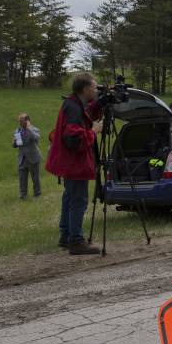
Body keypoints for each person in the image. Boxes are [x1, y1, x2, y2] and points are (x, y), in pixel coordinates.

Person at [46, 73, 103, 255]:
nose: (96, 90)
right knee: (78, 200)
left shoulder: (73, 104)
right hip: (75, 163)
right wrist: (93, 131)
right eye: (94, 87)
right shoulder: (74, 108)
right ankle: (76, 241)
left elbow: (88, 112)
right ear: (85, 89)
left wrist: (101, 103)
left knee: (69, 198)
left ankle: (66, 236)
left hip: (69, 162)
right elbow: (74, 140)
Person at [13, 113, 42, 199]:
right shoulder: (17, 131)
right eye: (19, 121)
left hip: (33, 157)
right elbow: (16, 145)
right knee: (22, 178)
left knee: (35, 178)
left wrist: (28, 128)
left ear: (27, 121)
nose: (19, 123)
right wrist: (14, 142)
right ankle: (23, 194)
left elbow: (34, 138)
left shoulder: (35, 129)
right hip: (22, 158)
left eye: (21, 121)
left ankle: (37, 193)